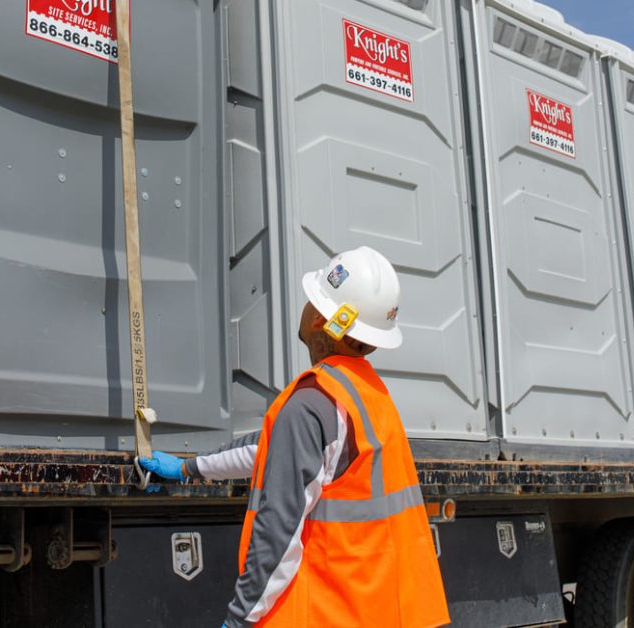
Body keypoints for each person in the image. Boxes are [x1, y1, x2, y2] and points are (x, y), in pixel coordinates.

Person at [139, 246, 449, 627]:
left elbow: (277, 533)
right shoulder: (367, 395)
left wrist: (239, 619)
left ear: (320, 319)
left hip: (330, 612)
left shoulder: (311, 403)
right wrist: (187, 469)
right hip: (378, 610)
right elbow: (272, 451)